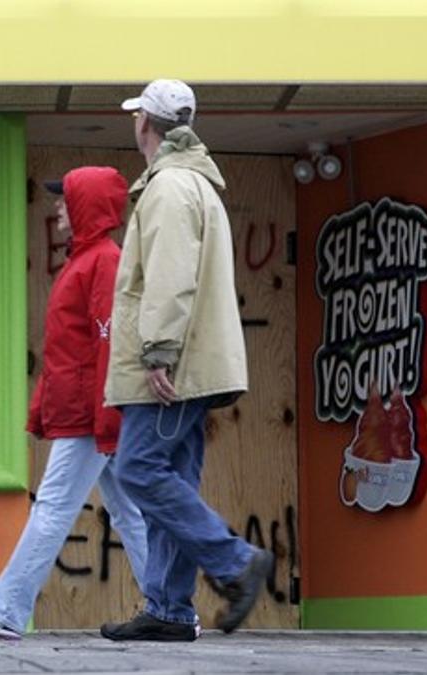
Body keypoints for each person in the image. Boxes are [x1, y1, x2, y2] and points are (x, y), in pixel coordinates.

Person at [100, 80, 273, 642]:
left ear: (144, 123)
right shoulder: (192, 184)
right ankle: (170, 610)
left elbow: (170, 280)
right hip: (195, 363)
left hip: (173, 368)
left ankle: (235, 562)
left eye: (135, 117)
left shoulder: (169, 188)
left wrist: (158, 353)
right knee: (173, 478)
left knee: (138, 470)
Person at [0, 166, 151, 640]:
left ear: (85, 205)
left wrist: (105, 419)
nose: (58, 205)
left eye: (66, 198)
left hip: (90, 415)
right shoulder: (86, 261)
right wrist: (45, 406)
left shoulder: (102, 261)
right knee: (131, 514)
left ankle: (5, 609)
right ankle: (173, 609)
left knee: (55, 507)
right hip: (88, 410)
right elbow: (69, 347)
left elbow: (110, 343)